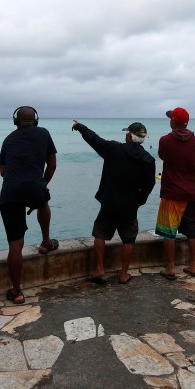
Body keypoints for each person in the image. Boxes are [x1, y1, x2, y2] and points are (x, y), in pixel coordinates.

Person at [72, 120, 156, 284]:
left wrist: (80, 127)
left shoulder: (114, 149)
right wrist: (138, 201)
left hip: (109, 201)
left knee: (100, 234)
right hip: (130, 205)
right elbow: (149, 185)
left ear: (128, 136)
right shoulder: (148, 160)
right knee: (129, 239)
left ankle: (99, 268)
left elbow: (94, 140)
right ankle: (124, 274)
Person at [0, 106, 58, 305]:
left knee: (15, 244)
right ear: (36, 120)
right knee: (43, 201)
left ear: (16, 121)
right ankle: (46, 242)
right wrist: (43, 183)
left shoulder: (8, 139)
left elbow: (3, 172)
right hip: (35, 186)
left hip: (10, 192)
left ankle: (17, 292)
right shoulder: (43, 133)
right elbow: (52, 164)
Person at [155, 107, 195, 280]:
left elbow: (162, 156)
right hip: (191, 192)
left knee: (168, 232)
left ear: (173, 122)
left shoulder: (165, 141)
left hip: (171, 193)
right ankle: (194, 265)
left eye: (170, 118)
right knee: (192, 232)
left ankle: (171, 267)